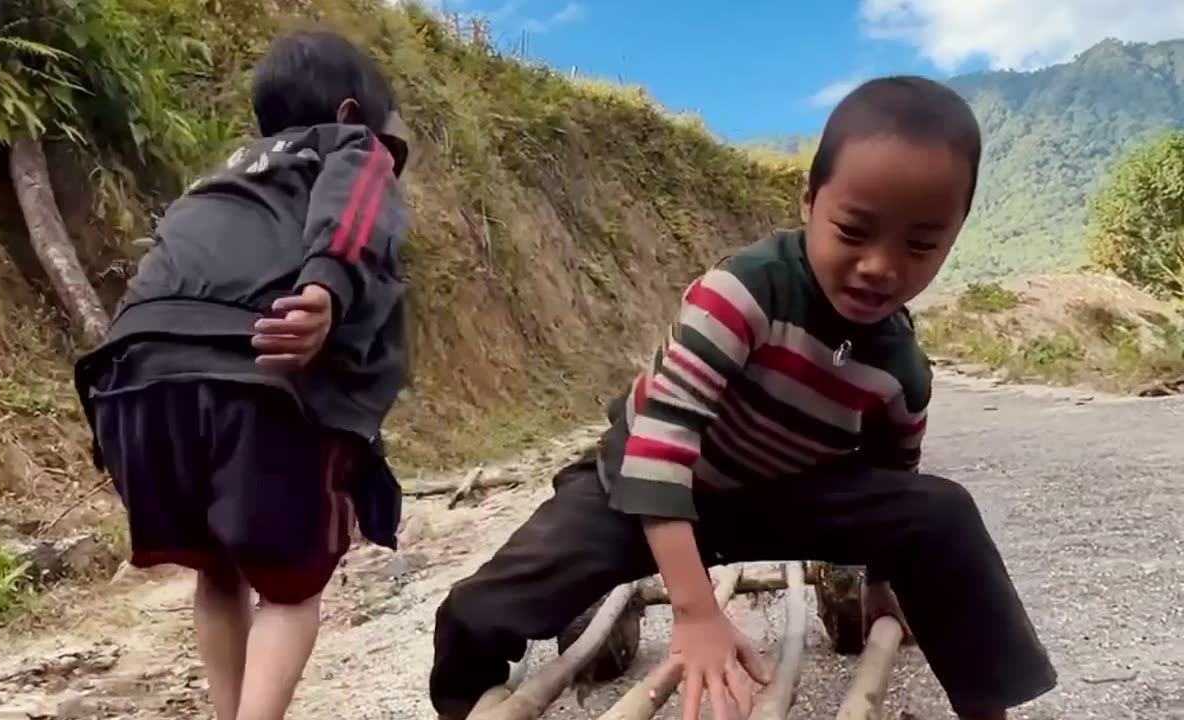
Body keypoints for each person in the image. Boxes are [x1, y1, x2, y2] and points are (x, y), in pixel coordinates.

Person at [427, 75, 1057, 720]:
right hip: (646, 490)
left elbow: (890, 489)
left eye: (920, 244)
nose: (881, 265)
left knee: (941, 514)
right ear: (810, 202)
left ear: (953, 237)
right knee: (478, 610)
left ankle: (988, 712)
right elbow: (658, 450)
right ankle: (461, 708)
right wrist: (697, 612)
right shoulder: (744, 294)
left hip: (782, 499)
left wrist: (883, 586)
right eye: (854, 230)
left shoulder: (901, 368)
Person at [73, 30, 411, 720]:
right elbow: (354, 216)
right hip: (254, 380)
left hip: (132, 383)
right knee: (289, 589)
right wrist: (325, 287)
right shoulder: (350, 145)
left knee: (216, 566)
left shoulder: (213, 178)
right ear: (351, 112)